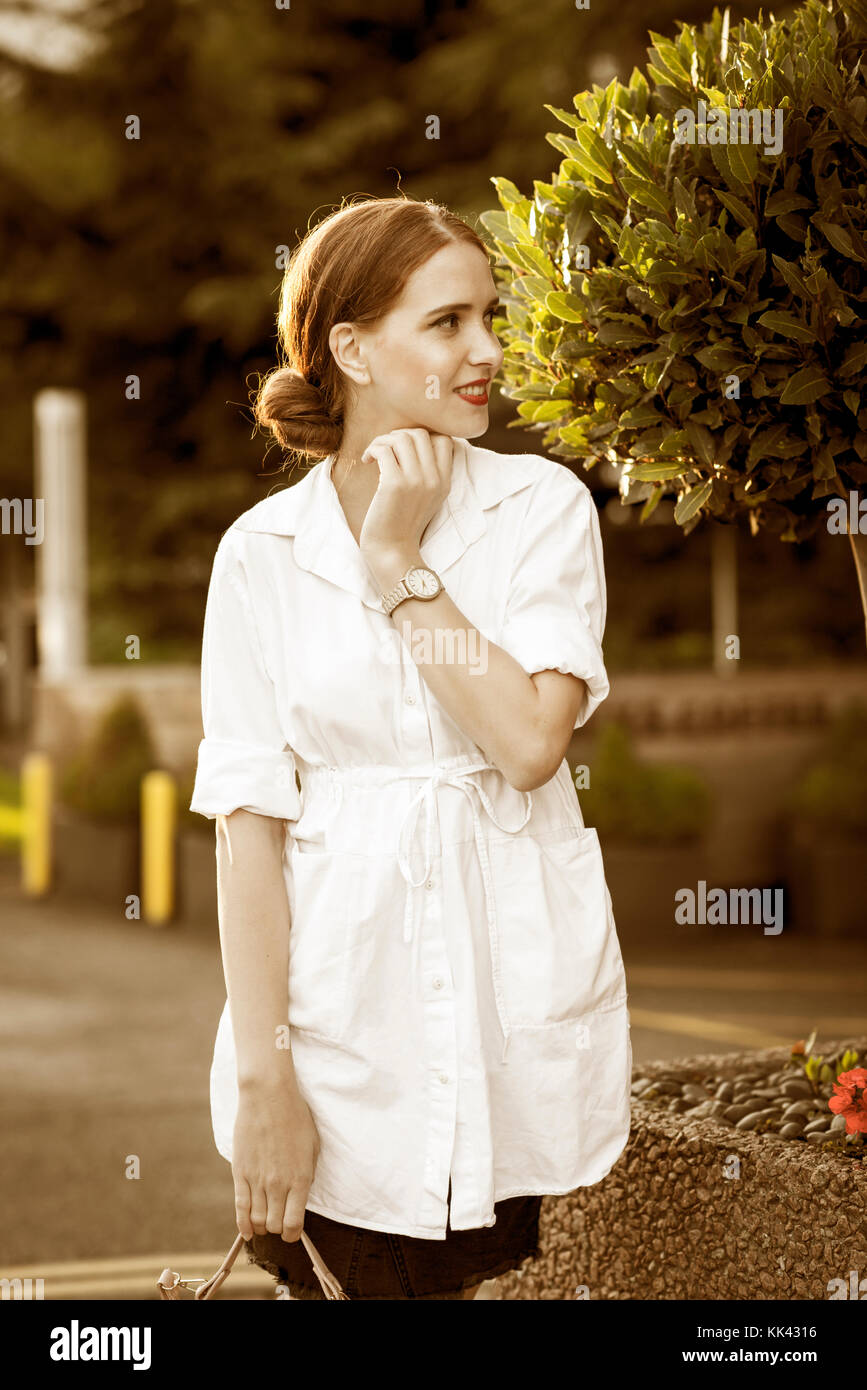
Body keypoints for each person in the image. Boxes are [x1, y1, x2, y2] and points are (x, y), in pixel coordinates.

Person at [189, 194, 632, 1301]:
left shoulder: (538, 508)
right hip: (338, 1040)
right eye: (447, 323)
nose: (487, 348)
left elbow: (531, 742)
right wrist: (264, 1084)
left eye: (490, 316)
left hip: (492, 1032)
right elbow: (250, 833)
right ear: (351, 348)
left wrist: (398, 563)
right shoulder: (262, 554)